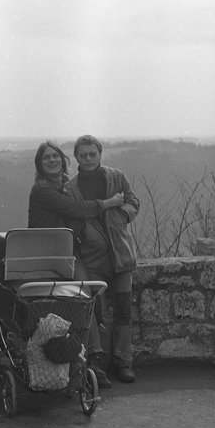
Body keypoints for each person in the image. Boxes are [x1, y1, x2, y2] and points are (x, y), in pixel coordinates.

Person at [27, 141, 124, 388]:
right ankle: (86, 359)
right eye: (46, 157)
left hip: (69, 251)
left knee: (84, 297)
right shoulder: (42, 190)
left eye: (55, 156)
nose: (51, 160)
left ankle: (92, 359)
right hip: (46, 253)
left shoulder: (65, 187)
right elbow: (75, 209)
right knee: (74, 299)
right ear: (39, 164)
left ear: (63, 160)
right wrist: (109, 202)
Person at [70, 134, 139, 383]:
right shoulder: (71, 188)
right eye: (83, 154)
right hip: (93, 259)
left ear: (100, 154)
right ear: (76, 157)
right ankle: (97, 364)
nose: (88, 158)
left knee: (123, 310)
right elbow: (73, 217)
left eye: (92, 153)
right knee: (95, 312)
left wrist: (122, 214)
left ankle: (123, 362)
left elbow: (133, 201)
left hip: (121, 256)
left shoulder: (116, 177)